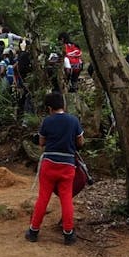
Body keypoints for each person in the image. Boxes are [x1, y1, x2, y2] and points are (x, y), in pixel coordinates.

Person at [25, 91, 84, 246]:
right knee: (66, 199)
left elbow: (41, 142)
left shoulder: (47, 121)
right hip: (68, 164)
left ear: (50, 108)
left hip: (49, 163)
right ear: (63, 105)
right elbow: (80, 142)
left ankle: (33, 231)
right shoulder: (73, 121)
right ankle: (68, 234)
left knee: (43, 197)